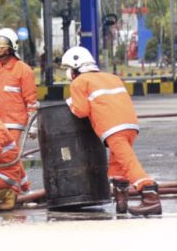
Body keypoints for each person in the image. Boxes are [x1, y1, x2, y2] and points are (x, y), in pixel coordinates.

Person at [61, 45, 161, 216]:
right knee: (117, 166)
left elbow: (81, 110)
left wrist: (69, 102)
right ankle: (121, 204)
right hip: (130, 125)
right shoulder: (111, 77)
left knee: (129, 163)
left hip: (112, 128)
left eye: (68, 69)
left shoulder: (80, 82)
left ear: (75, 67)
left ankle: (150, 198)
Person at [0, 28, 38, 146]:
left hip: (14, 124)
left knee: (9, 156)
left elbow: (31, 100)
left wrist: (33, 125)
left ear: (12, 47)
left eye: (2, 47)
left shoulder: (23, 70)